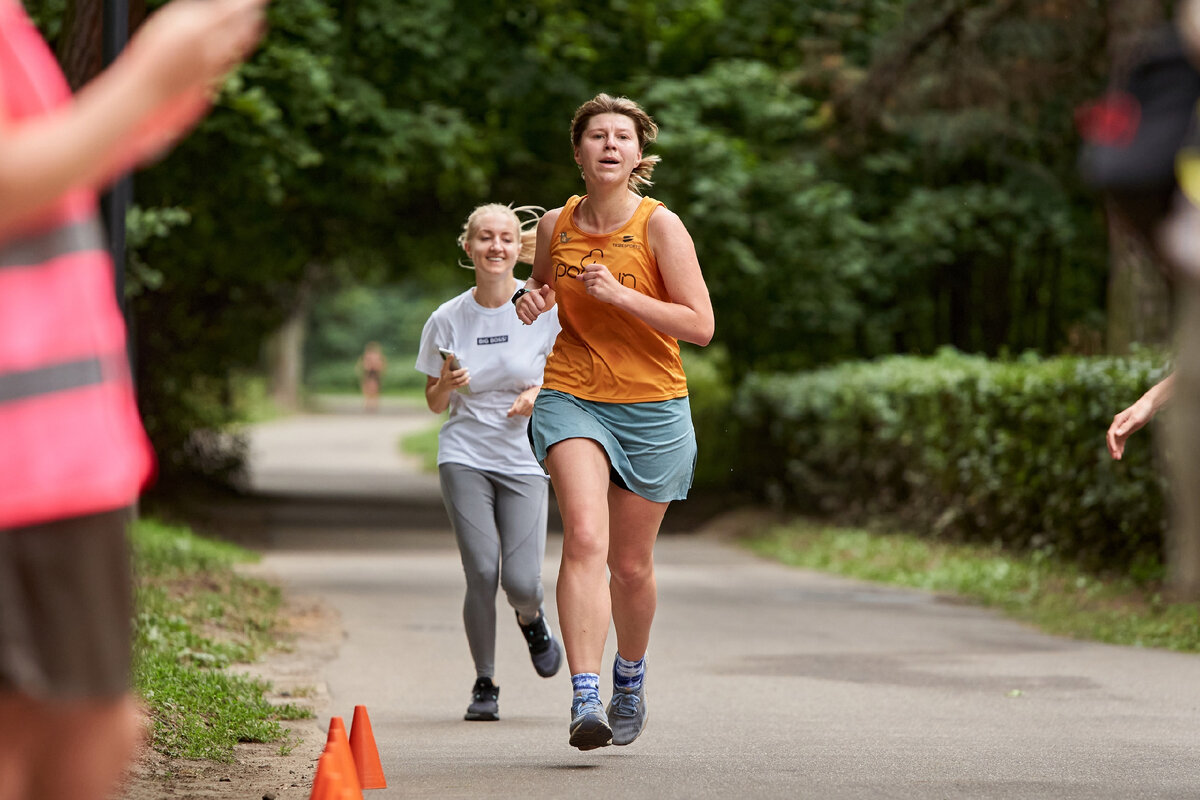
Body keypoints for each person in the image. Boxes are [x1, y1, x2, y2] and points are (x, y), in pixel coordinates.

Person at [0, 1, 267, 798]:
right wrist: (146, 77)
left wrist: (167, 87)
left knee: (88, 732)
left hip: (60, 456)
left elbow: (48, 171)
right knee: (34, 737)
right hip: (22, 463)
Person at [513, 93, 714, 750]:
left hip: (652, 402)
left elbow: (700, 325)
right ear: (577, 153)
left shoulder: (661, 226)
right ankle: (586, 697)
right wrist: (531, 300)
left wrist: (622, 295)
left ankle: (630, 675)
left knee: (630, 566)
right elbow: (541, 294)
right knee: (585, 541)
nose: (608, 145)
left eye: (620, 137)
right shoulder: (555, 224)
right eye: (595, 135)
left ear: (637, 155)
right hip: (572, 392)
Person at [416, 203, 565, 722]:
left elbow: (566, 376)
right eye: (485, 238)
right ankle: (485, 683)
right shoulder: (447, 318)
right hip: (465, 454)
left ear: (516, 246)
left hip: (525, 455)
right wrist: (444, 385)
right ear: (469, 247)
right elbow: (434, 404)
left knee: (522, 581)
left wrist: (538, 392)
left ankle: (532, 619)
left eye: (505, 238)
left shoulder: (542, 308)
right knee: (481, 571)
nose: (496, 247)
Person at [356, 341, 387, 412]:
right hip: (369, 373)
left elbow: (382, 365)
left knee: (375, 389)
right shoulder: (368, 356)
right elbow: (362, 365)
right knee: (367, 388)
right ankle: (368, 403)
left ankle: (373, 404)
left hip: (374, 373)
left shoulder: (377, 356)